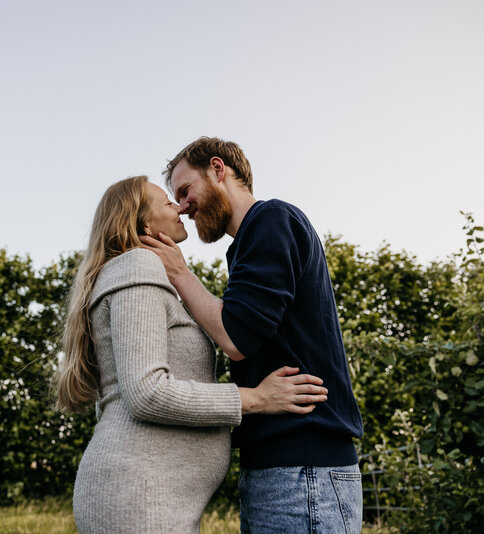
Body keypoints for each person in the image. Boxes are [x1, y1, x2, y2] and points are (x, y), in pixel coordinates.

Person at [55, 175, 330, 534]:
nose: (178, 206)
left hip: (152, 496)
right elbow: (147, 392)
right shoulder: (137, 266)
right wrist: (257, 398)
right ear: (142, 222)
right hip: (141, 497)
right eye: (166, 201)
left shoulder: (141, 273)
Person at [140, 137, 365, 533]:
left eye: (185, 190)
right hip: (288, 472)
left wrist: (178, 271)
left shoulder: (271, 220)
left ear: (218, 169)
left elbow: (236, 338)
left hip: (302, 471)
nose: (182, 206)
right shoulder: (249, 243)